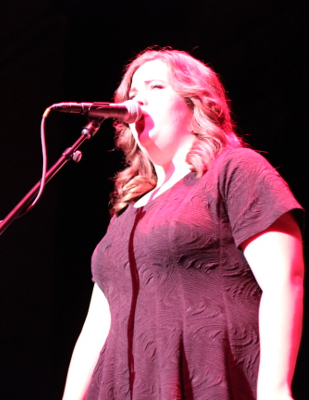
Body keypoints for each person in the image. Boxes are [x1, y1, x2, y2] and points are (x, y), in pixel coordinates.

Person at [62, 48, 304, 400]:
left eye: (156, 87)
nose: (137, 100)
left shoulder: (235, 169)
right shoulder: (127, 212)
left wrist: (275, 388)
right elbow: (98, 325)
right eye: (132, 93)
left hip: (206, 377)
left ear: (196, 103)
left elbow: (284, 279)